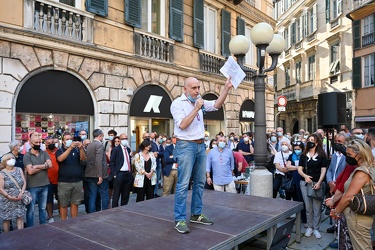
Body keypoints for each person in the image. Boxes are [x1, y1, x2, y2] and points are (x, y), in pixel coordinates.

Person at [170, 76, 232, 234]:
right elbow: (182, 125)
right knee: (183, 184)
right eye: (194, 88)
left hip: (200, 145)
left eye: (198, 87)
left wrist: (226, 88)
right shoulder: (177, 103)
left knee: (199, 182)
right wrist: (196, 108)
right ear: (185, 89)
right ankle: (180, 219)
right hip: (185, 145)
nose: (197, 91)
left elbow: (217, 104)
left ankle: (196, 214)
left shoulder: (200, 100)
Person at [330, 139, 375, 250]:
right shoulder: (369, 167)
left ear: (360, 155)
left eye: (350, 154)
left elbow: (348, 196)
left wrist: (336, 211)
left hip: (357, 218)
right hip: (359, 217)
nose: (347, 157)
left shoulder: (362, 172)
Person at [298, 134, 328, 239]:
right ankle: (309, 227)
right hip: (305, 183)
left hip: (317, 183)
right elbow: (299, 169)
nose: (310, 142)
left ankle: (316, 228)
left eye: (313, 140)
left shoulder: (322, 155)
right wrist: (305, 176)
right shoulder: (303, 155)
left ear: (317, 142)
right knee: (308, 206)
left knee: (317, 207)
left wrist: (319, 183)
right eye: (309, 140)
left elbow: (323, 170)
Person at [24, 132, 52, 227]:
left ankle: (43, 226)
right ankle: (30, 228)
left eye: (39, 142)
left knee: (43, 208)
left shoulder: (44, 153)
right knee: (31, 209)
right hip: (32, 186)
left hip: (45, 184)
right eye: (36, 143)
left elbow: (50, 165)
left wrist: (36, 166)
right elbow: (30, 171)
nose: (38, 144)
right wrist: (44, 166)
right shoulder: (27, 156)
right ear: (30, 143)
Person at [56, 132, 86, 220]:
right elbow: (60, 159)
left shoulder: (76, 150)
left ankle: (74, 221)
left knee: (75, 203)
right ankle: (64, 222)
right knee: (63, 204)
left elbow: (83, 159)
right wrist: (69, 149)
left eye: (70, 139)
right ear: (63, 141)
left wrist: (81, 148)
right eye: (67, 139)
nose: (69, 141)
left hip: (77, 181)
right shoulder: (60, 151)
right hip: (64, 182)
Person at [0, 153, 27, 232]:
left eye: (13, 158)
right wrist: (9, 197)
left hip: (19, 198)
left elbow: (24, 182)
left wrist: (21, 193)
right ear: (5, 161)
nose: (12, 160)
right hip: (6, 199)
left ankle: (20, 235)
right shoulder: (2, 173)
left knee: (20, 217)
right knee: (7, 219)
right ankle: (7, 236)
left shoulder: (19, 169)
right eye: (9, 158)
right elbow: (1, 189)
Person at [85, 129, 109, 213]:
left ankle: (91, 213)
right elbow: (98, 161)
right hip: (99, 175)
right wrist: (100, 175)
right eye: (102, 136)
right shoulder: (99, 145)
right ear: (99, 136)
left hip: (90, 173)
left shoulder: (89, 145)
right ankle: (105, 211)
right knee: (104, 194)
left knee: (92, 195)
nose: (103, 138)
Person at [109, 133, 133, 207]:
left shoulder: (128, 149)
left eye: (126, 138)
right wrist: (115, 174)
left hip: (128, 174)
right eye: (123, 139)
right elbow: (112, 163)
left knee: (126, 194)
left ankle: (124, 208)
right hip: (119, 174)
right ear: (119, 140)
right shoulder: (116, 149)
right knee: (116, 194)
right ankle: (115, 210)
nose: (124, 140)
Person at [286, 141, 307, 225]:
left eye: (298, 149)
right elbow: (288, 166)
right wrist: (298, 168)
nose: (297, 151)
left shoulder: (304, 156)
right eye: (295, 149)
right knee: (295, 199)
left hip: (302, 179)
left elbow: (304, 167)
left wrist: (294, 168)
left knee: (302, 199)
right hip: (294, 180)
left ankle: (304, 218)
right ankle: (298, 217)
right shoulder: (291, 156)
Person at [44, 136, 59, 223]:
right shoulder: (44, 153)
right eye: (48, 143)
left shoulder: (59, 151)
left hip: (60, 179)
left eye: (52, 143)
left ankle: (62, 214)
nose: (50, 145)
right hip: (48, 180)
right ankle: (50, 217)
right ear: (45, 144)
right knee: (49, 200)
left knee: (61, 198)